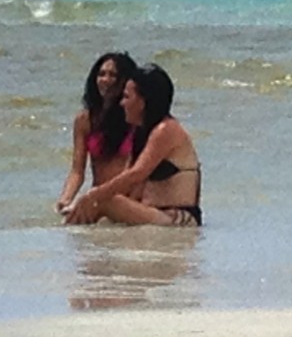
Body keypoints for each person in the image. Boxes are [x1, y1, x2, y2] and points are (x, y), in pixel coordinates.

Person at [65, 64, 202, 226]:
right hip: (152, 212)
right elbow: (129, 183)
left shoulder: (166, 130)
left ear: (142, 102)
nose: (121, 103)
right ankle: (68, 233)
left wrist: (93, 195)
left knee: (104, 201)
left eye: (126, 97)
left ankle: (66, 233)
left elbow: (136, 174)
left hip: (178, 218)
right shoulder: (141, 133)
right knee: (99, 210)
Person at [55, 52, 138, 215]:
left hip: (129, 200)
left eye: (113, 75)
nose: (106, 80)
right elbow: (77, 171)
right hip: (98, 198)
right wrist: (66, 198)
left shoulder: (135, 120)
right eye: (101, 74)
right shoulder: (85, 120)